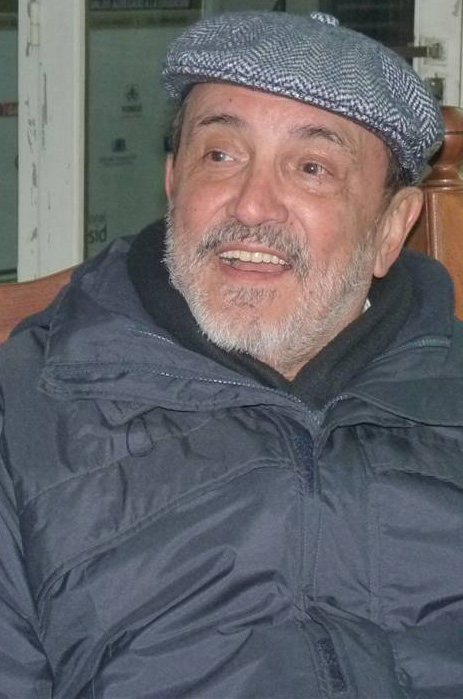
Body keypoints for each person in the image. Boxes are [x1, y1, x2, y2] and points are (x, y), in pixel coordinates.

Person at [0, 10, 462, 698]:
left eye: (311, 168)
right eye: (220, 155)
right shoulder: (26, 412)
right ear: (172, 182)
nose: (251, 206)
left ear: (391, 228)